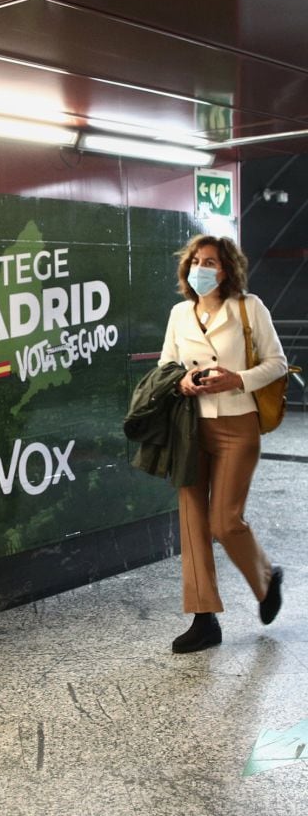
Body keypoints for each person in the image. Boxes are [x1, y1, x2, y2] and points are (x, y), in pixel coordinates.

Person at [158, 235, 288, 654]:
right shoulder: (180, 313)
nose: (201, 267)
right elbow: (166, 365)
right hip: (190, 427)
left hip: (237, 424)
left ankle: (265, 579)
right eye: (195, 261)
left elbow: (278, 363)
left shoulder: (249, 308)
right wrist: (181, 381)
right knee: (193, 522)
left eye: (209, 261)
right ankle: (204, 619)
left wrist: (238, 379)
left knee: (224, 522)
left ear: (226, 268)